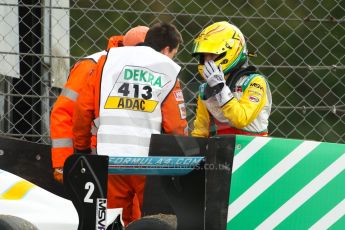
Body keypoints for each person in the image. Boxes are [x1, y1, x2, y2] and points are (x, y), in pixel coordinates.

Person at [72, 22, 188, 226]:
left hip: (109, 156)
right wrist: (182, 155)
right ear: (167, 49)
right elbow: (175, 125)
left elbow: (82, 109)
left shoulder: (106, 61)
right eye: (174, 52)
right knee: (151, 220)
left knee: (109, 219)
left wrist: (81, 149)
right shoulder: (167, 68)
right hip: (148, 161)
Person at [50, 26, 149, 183]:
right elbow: (64, 113)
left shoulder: (146, 68)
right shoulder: (91, 66)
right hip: (94, 159)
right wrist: (64, 164)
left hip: (131, 163)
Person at [191, 21, 272, 137]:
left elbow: (241, 119)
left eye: (212, 55)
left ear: (231, 51)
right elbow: (200, 132)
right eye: (204, 56)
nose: (208, 61)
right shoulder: (205, 89)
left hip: (254, 149)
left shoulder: (255, 82)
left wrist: (221, 89)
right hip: (221, 149)